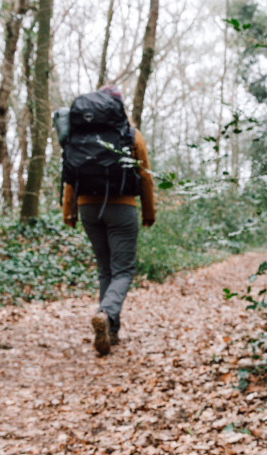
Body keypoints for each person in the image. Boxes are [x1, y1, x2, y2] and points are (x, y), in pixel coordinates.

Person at [62, 85, 155, 356]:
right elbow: (145, 176)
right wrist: (148, 212)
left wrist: (69, 212)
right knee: (123, 270)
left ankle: (110, 331)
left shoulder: (78, 136)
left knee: (105, 270)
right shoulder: (130, 135)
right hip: (122, 208)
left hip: (88, 208)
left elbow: (71, 177)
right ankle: (106, 313)